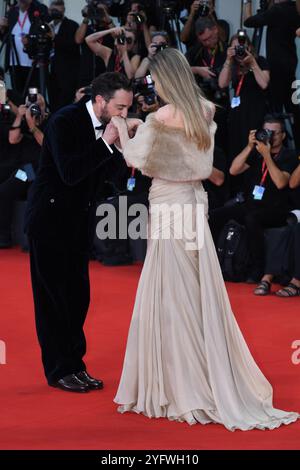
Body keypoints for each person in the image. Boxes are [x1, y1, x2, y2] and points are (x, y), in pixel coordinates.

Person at [112, 48, 299, 430]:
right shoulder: (205, 110)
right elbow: (194, 161)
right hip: (194, 206)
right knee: (196, 292)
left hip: (168, 208)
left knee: (172, 295)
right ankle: (202, 371)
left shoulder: (160, 118)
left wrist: (120, 130)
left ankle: (184, 383)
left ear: (164, 79)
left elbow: (138, 161)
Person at [24, 72, 134, 393]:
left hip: (78, 223)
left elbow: (107, 176)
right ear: (100, 101)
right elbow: (71, 173)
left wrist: (125, 145)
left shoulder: (108, 126)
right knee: (53, 300)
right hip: (49, 221)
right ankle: (59, 370)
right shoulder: (64, 121)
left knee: (78, 299)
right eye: (120, 107)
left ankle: (76, 365)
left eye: (128, 108)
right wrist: (107, 142)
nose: (124, 114)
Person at [210, 117, 298, 283]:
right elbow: (234, 170)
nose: (270, 136)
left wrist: (267, 156)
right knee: (214, 216)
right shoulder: (256, 153)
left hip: (276, 209)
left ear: (283, 136)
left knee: (252, 219)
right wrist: (250, 146)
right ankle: (215, 263)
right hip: (251, 204)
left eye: (274, 133)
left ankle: (258, 268)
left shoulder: (289, 156)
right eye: (266, 132)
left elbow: (281, 183)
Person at [244, 0, 300, 149]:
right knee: (293, 110)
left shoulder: (277, 11)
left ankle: (275, 148)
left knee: (274, 114)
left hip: (276, 69)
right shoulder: (293, 10)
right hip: (290, 66)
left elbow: (248, 22)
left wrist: (247, 3)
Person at [0, 0, 49, 95]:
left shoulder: (38, 10)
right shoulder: (12, 12)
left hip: (33, 64)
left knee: (33, 94)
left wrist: (29, 41)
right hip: (14, 63)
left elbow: (44, 33)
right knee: (18, 93)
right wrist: (2, 28)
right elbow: (6, 37)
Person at [47, 0, 80, 112]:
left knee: (63, 105)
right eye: (53, 8)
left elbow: (72, 46)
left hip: (66, 73)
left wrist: (54, 37)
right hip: (49, 71)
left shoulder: (72, 25)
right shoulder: (46, 25)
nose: (55, 10)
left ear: (64, 10)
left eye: (58, 7)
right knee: (51, 103)